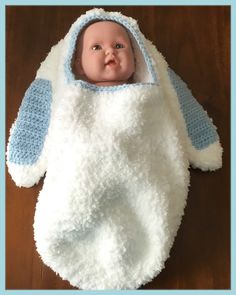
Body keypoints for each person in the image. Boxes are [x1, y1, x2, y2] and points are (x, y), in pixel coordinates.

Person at [73, 21, 135, 86]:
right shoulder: (78, 93)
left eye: (119, 46)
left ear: (134, 61)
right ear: (80, 66)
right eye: (97, 47)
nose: (110, 50)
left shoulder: (142, 91)